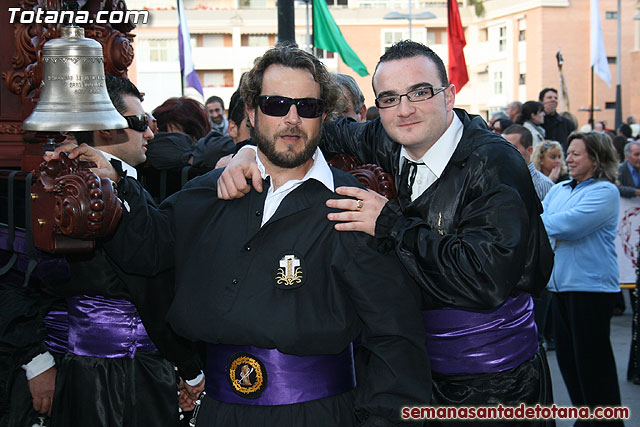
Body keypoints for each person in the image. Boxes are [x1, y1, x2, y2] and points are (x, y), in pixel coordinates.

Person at [53, 44, 431, 427]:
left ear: (324, 117)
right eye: (276, 104)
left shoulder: (351, 206)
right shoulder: (211, 191)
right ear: (251, 111)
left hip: (318, 414)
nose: (293, 118)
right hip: (219, 411)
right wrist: (113, 177)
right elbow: (148, 250)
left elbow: (396, 336)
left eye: (309, 107)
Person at [221, 40, 555, 416]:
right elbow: (312, 131)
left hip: (494, 386)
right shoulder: (385, 138)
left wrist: (390, 225)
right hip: (409, 377)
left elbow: (484, 279)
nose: (405, 109)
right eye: (390, 98)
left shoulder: (494, 162)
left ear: (449, 95)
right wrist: (247, 152)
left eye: (420, 92)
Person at [45, 74, 203, 426]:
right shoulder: (96, 187)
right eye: (140, 123)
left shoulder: (96, 178)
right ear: (106, 128)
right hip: (121, 380)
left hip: (96, 372)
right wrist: (190, 368)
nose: (150, 133)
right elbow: (150, 276)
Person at [541, 131, 623, 426]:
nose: (569, 159)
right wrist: (550, 226)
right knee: (569, 362)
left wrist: (547, 225)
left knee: (593, 364)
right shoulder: (560, 188)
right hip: (559, 286)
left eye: (577, 153)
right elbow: (550, 225)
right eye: (569, 152)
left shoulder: (605, 191)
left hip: (591, 288)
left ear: (596, 158)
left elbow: (568, 225)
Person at [503, 124, 553, 201]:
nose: (506, 152)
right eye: (503, 147)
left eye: (512, 147)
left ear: (529, 151)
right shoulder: (497, 180)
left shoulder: (544, 185)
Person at [539, 88, 576, 152]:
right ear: (541, 101)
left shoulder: (567, 124)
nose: (553, 100)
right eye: (549, 97)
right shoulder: (536, 123)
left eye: (556, 98)